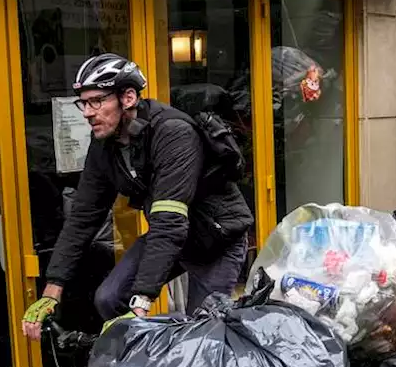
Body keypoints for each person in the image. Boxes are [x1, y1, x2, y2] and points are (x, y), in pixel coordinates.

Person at [20, 54, 253, 339]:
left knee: (202, 334)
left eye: (97, 101)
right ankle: (148, 366)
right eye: (83, 102)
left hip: (216, 240)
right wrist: (52, 290)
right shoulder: (105, 144)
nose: (87, 112)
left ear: (128, 97)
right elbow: (82, 218)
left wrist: (142, 302)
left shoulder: (173, 134)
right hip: (171, 239)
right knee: (109, 299)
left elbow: (169, 223)